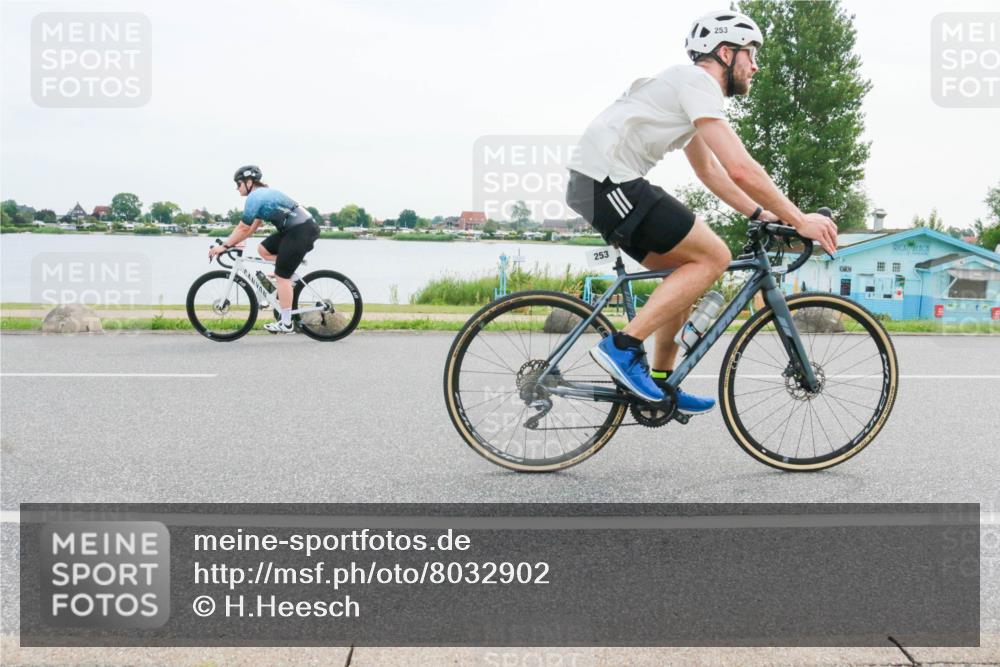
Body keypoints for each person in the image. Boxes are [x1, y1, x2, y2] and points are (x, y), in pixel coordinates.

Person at [566, 10, 838, 413]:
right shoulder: (698, 82)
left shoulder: (687, 90)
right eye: (751, 54)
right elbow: (740, 168)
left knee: (687, 272)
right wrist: (800, 220)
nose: (756, 66)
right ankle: (623, 347)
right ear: (726, 53)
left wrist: (761, 213)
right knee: (715, 256)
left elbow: (708, 170)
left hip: (599, 185)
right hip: (607, 181)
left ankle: (661, 385)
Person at [209, 165, 321, 334]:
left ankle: (286, 323)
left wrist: (224, 246)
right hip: (295, 230)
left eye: (238, 184)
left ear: (248, 182)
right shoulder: (263, 195)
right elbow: (251, 228)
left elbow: (242, 228)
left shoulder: (255, 197)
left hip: (300, 231)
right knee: (263, 249)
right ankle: (289, 264)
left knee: (281, 276)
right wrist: (232, 243)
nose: (237, 188)